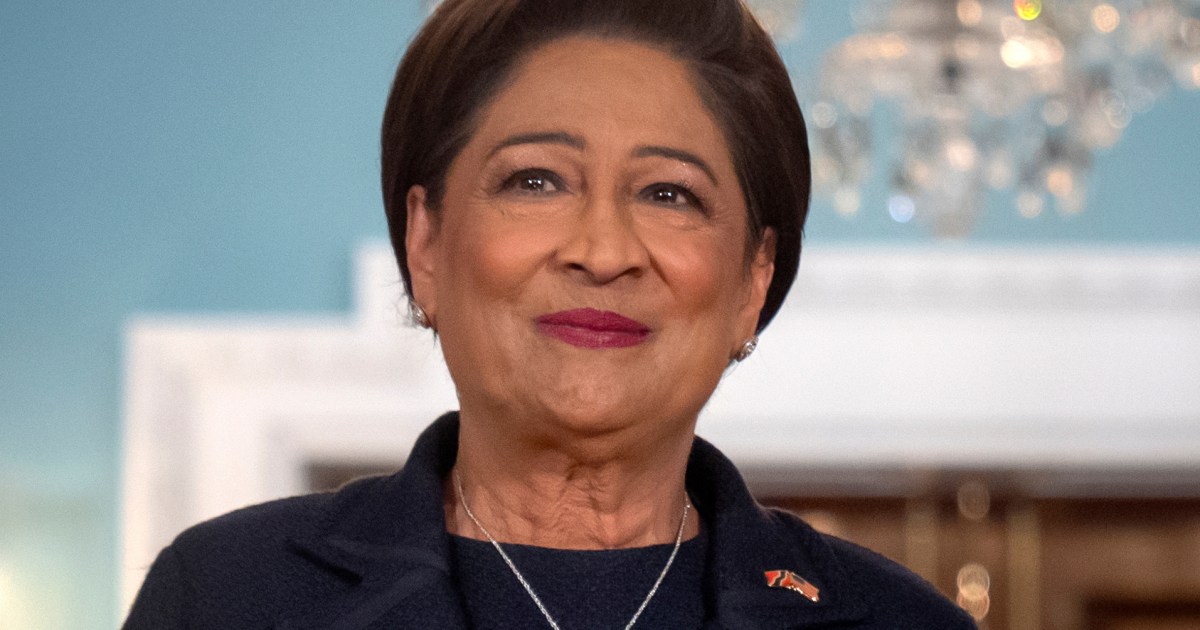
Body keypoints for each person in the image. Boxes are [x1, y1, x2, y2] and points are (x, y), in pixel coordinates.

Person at [124, 1, 976, 628]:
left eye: (669, 194)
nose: (603, 251)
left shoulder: (902, 622)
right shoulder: (223, 595)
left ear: (754, 278)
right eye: (535, 181)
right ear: (426, 242)